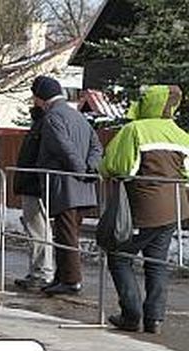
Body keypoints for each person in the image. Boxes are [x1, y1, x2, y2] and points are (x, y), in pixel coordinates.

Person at [100, 85, 189, 334]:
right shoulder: (181, 134)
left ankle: (131, 315)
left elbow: (121, 167)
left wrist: (103, 169)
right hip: (175, 208)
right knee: (156, 261)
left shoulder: (135, 130)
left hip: (143, 208)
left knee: (119, 256)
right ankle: (154, 319)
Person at [33, 76, 103, 296]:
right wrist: (91, 168)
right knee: (68, 232)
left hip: (65, 186)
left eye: (35, 97)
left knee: (66, 235)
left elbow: (63, 147)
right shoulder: (78, 116)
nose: (34, 102)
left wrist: (80, 169)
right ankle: (61, 277)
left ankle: (71, 280)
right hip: (83, 187)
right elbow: (96, 146)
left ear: (42, 97)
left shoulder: (52, 117)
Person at [13, 105, 54, 288]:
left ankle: (42, 272)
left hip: (36, 184)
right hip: (33, 183)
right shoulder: (40, 123)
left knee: (39, 230)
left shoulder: (45, 124)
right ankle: (38, 271)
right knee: (36, 230)